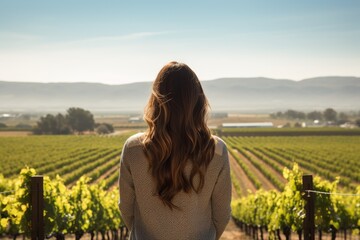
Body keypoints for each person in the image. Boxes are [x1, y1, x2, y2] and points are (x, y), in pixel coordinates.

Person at [119, 61, 231, 240]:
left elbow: (126, 208)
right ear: (198, 102)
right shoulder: (216, 151)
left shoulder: (133, 149)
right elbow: (222, 214)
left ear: (155, 100)